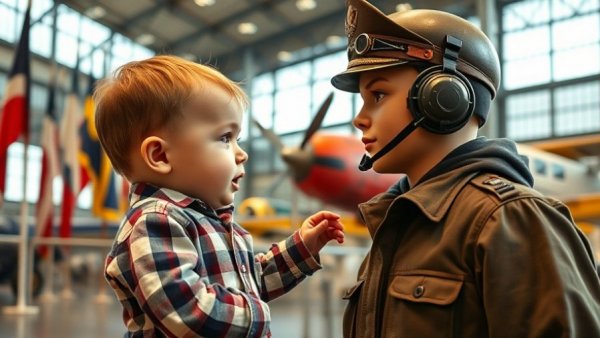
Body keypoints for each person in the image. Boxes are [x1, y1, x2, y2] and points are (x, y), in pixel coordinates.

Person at [330, 1, 600, 337]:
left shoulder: (511, 220)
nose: (360, 118)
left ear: (443, 96)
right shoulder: (395, 223)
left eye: (379, 95)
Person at [94, 55, 345, 337]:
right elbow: (186, 311)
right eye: (226, 137)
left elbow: (250, 281)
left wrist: (301, 249)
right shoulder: (154, 222)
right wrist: (258, 314)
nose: (242, 153)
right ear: (160, 155)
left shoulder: (211, 220)